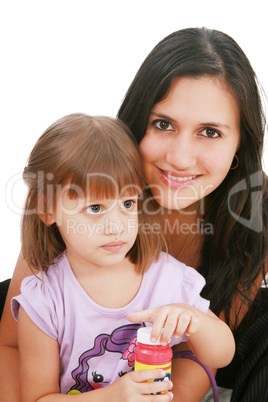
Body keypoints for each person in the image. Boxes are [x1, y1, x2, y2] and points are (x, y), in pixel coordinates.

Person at [0, 26, 267, 401]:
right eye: (162, 124)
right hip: (58, 351)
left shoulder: (253, 209)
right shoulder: (96, 172)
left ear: (241, 142)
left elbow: (205, 353)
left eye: (210, 132)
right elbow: (11, 346)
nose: (179, 158)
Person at [10, 113, 234, 402]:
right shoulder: (44, 301)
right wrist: (114, 396)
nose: (116, 225)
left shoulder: (166, 279)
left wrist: (194, 321)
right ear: (47, 210)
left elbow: (224, 354)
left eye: (128, 203)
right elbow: (38, 399)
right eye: (95, 208)